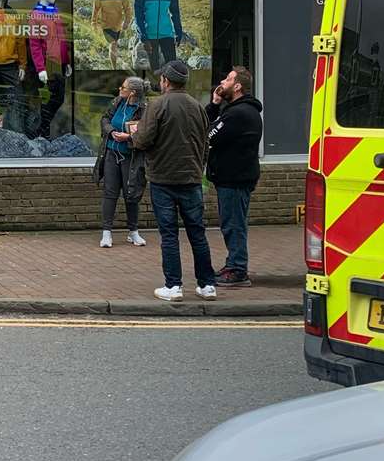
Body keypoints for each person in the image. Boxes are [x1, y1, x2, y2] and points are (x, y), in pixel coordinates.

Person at [129, 58, 215, 302]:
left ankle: (174, 286)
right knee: (197, 233)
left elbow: (143, 140)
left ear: (166, 81)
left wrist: (134, 135)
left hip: (163, 180)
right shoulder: (197, 106)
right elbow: (206, 143)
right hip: (191, 178)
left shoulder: (157, 106)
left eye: (161, 78)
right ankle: (207, 285)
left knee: (169, 234)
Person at [206, 67, 262, 288]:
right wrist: (216, 103)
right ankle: (233, 264)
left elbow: (208, 133)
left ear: (237, 86)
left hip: (234, 178)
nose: (223, 80)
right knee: (233, 223)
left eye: (228, 79)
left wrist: (214, 105)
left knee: (233, 225)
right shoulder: (238, 110)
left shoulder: (237, 113)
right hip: (235, 176)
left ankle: (237, 269)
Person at [94, 76, 147, 248]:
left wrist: (129, 137)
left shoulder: (143, 109)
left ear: (132, 92)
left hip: (130, 156)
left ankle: (133, 232)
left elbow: (146, 134)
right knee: (110, 192)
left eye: (123, 87)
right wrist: (110, 131)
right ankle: (106, 233)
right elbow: (105, 119)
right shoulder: (117, 102)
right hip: (111, 152)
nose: (119, 89)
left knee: (130, 194)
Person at [92, 0, 133, 68]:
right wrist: (94, 24)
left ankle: (113, 62)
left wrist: (127, 21)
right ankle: (114, 68)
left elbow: (128, 9)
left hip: (118, 26)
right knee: (113, 44)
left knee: (115, 45)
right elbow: (95, 11)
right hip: (106, 25)